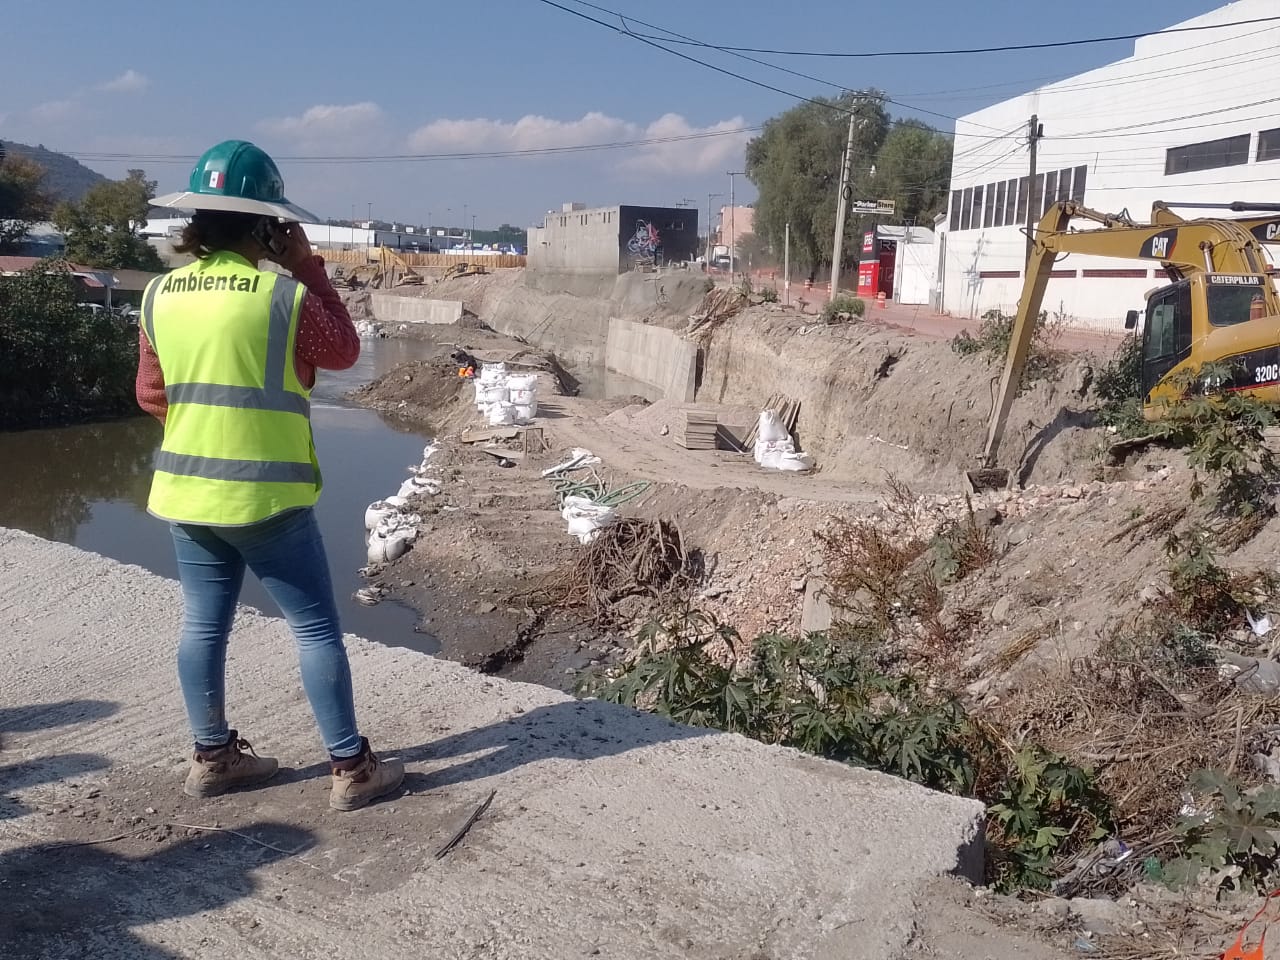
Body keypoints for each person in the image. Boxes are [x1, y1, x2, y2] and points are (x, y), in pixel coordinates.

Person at [137, 140, 404, 811]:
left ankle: (212, 757)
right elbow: (344, 348)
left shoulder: (158, 294)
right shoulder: (279, 296)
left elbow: (150, 393)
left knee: (202, 628)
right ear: (267, 225)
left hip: (188, 495)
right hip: (267, 498)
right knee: (315, 631)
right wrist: (309, 265)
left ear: (196, 219)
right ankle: (352, 768)